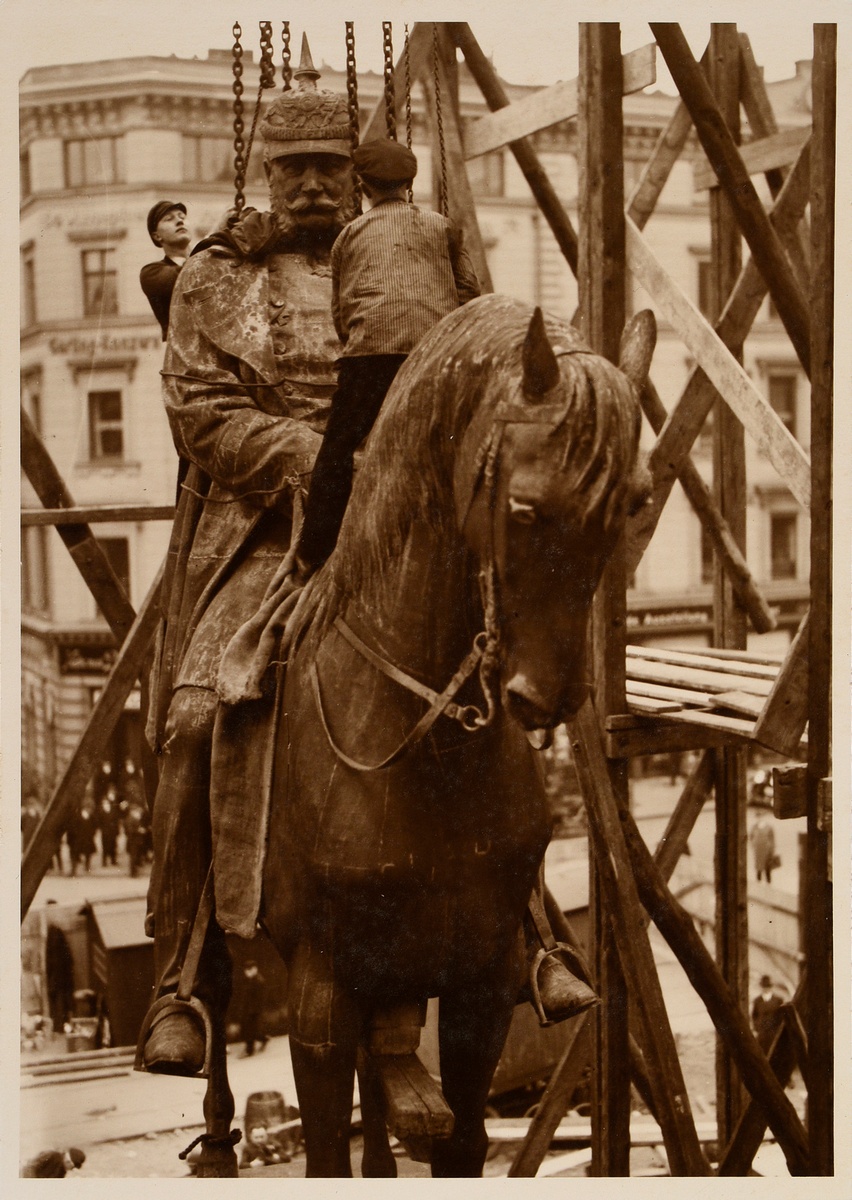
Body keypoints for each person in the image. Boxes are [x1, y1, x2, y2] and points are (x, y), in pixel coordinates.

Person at [138, 43, 588, 1079]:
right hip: (271, 525)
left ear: (357, 171)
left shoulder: (413, 251)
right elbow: (202, 410)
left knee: (492, 670)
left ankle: (531, 929)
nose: (308, 186)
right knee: (200, 715)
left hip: (409, 518)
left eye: (326, 168)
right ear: (266, 171)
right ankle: (184, 970)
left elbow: (490, 343)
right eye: (290, 168)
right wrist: (305, 456)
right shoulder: (218, 275)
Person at [291, 137, 480, 578]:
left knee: (336, 451)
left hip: (370, 358)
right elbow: (469, 291)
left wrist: (361, 344)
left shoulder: (349, 235)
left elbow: (341, 312)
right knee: (452, 447)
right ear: (408, 183)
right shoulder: (440, 226)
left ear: (362, 184)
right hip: (433, 357)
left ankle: (312, 556)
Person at [140, 201, 192, 339]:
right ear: (157, 236)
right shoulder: (151, 273)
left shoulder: (207, 260)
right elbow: (189, 274)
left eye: (182, 217)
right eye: (169, 219)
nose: (179, 221)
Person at [44, 901, 74, 1035]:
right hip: (61, 976)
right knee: (62, 1002)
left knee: (59, 1002)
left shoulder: (53, 932)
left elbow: (54, 959)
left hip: (58, 976)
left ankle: (59, 1027)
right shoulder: (56, 932)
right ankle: (61, 1026)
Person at [239, 960, 268, 1058]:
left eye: (250, 969)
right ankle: (263, 1039)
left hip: (254, 1010)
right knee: (252, 1030)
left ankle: (250, 1049)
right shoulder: (249, 981)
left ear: (255, 969)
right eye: (246, 970)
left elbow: (260, 998)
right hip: (249, 1010)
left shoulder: (259, 981)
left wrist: (255, 1010)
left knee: (251, 1030)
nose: (247, 972)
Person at [751, 974, 784, 1050]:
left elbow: (781, 1017)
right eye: (764, 986)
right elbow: (754, 1016)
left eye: (767, 986)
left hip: (774, 1033)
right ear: (761, 987)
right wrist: (757, 1028)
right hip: (762, 1033)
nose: (766, 988)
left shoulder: (778, 1000)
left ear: (770, 987)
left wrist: (778, 1030)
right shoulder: (757, 1001)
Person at [750, 811, 777, 883]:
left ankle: (768, 883)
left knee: (767, 867)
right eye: (757, 817)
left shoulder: (769, 827)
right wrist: (753, 844)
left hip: (767, 850)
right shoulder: (754, 827)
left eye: (760, 816)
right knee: (758, 867)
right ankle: (758, 883)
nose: (759, 818)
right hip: (758, 850)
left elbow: (772, 839)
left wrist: (772, 849)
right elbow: (751, 837)